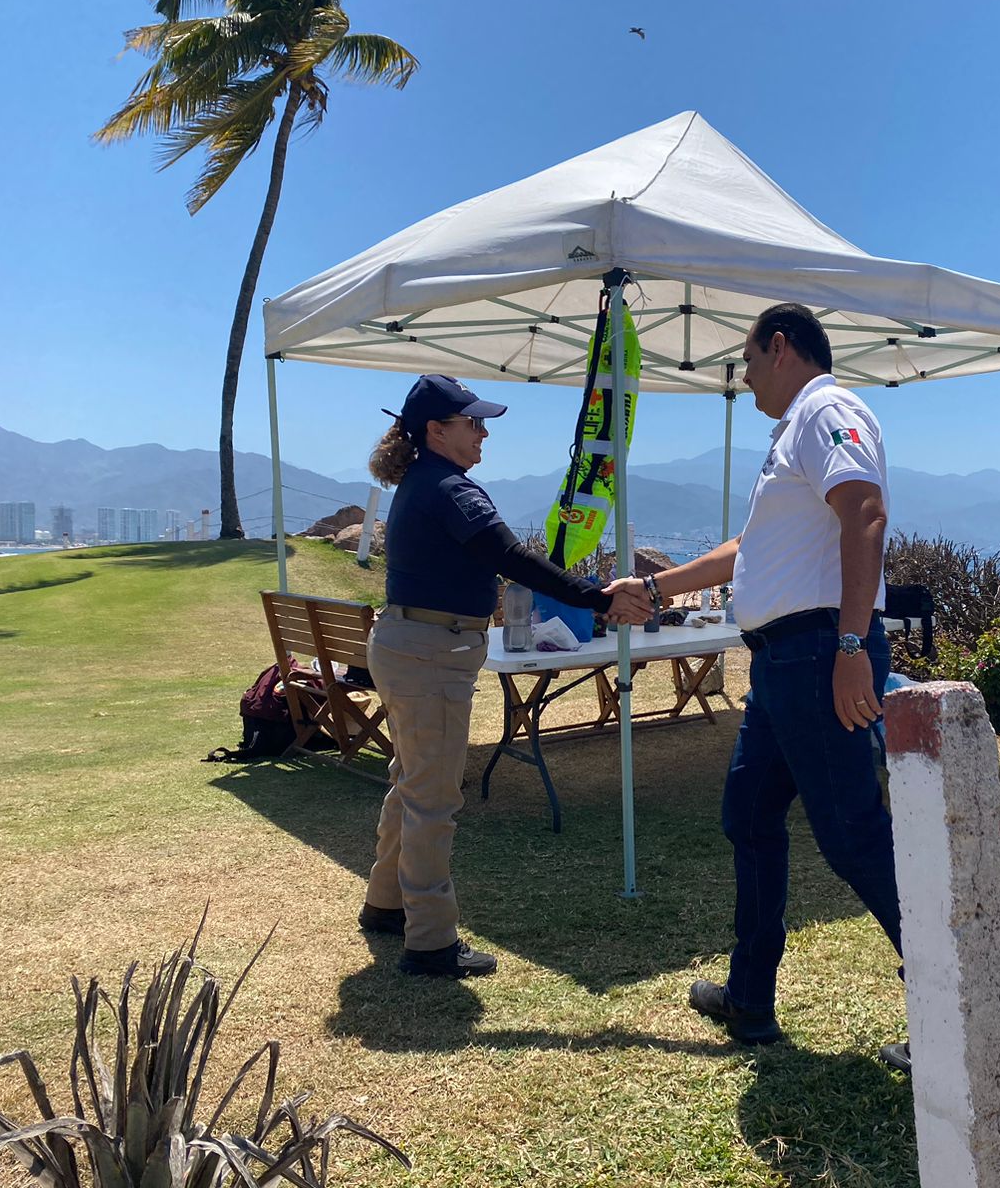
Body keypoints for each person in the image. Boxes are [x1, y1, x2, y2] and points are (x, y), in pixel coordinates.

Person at [606, 303, 903, 1056]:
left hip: (815, 653)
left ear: (779, 347)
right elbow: (750, 549)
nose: (743, 379)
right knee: (749, 816)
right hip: (780, 663)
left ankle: (954, 1010)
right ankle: (750, 999)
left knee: (853, 835)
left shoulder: (826, 409)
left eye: (745, 361)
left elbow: (865, 513)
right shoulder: (792, 431)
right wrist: (659, 587)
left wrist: (848, 646)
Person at [360, 373, 650, 979]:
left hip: (407, 643)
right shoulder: (452, 490)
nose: (483, 432)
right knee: (433, 797)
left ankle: (387, 905)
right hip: (431, 652)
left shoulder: (422, 483)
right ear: (436, 431)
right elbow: (510, 557)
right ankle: (431, 942)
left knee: (411, 781)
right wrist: (598, 597)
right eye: (472, 423)